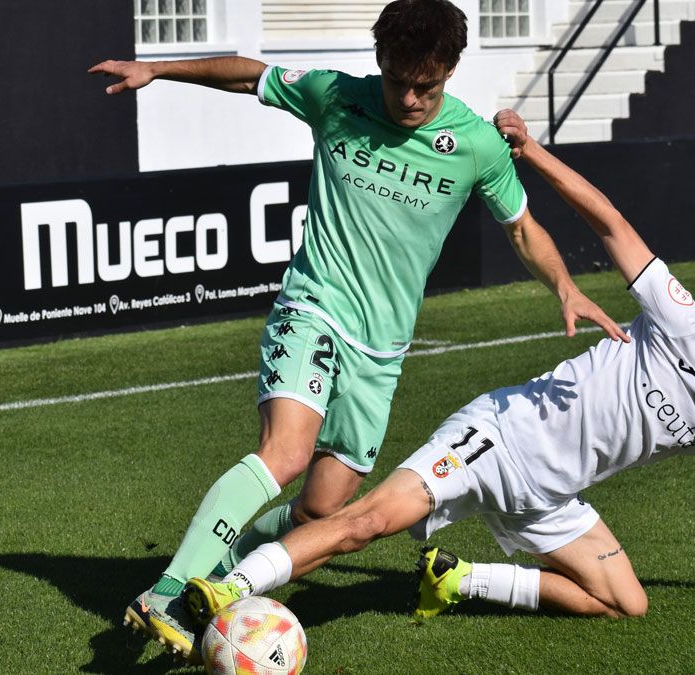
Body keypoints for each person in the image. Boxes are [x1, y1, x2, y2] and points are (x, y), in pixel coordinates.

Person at [181, 109, 695, 630]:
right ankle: (227, 587)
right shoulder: (683, 317)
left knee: (627, 602)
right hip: (499, 437)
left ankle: (458, 580)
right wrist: (533, 152)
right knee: (366, 521)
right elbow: (612, 222)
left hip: (554, 496)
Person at [88, 0, 624, 661]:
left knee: (321, 512)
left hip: (382, 354)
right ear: (381, 64)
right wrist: (159, 70)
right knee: (285, 452)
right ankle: (165, 593)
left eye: (425, 86)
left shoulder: (478, 145)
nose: (408, 97)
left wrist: (565, 284)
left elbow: (521, 227)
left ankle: (223, 564)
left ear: (451, 71)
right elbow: (247, 74)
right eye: (398, 80)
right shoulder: (336, 96)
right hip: (313, 309)